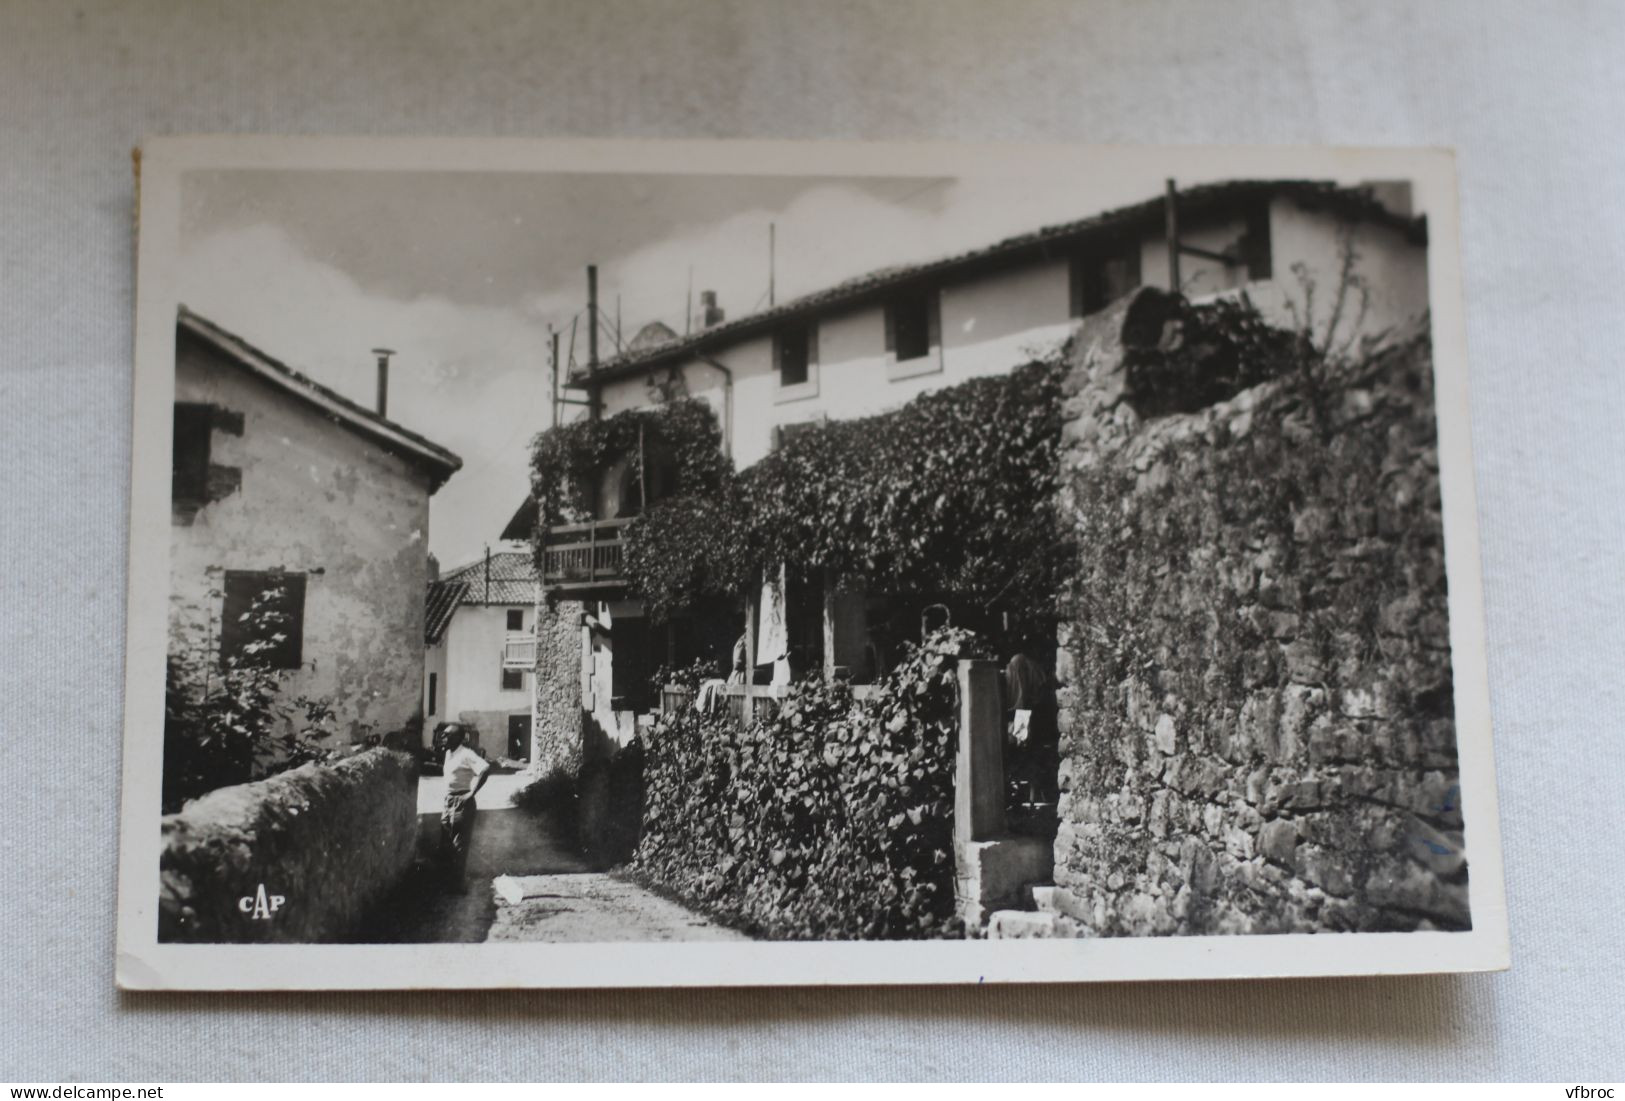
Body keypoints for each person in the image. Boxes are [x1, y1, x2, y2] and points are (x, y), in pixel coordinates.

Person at [439, 723, 491, 892]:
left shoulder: (466, 754)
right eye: (443, 734)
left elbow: (485, 769)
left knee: (458, 844)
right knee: (446, 843)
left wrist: (471, 793)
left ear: (458, 738)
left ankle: (457, 885)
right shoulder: (448, 753)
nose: (443, 737)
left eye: (447, 735)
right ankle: (448, 882)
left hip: (462, 802)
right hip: (448, 801)